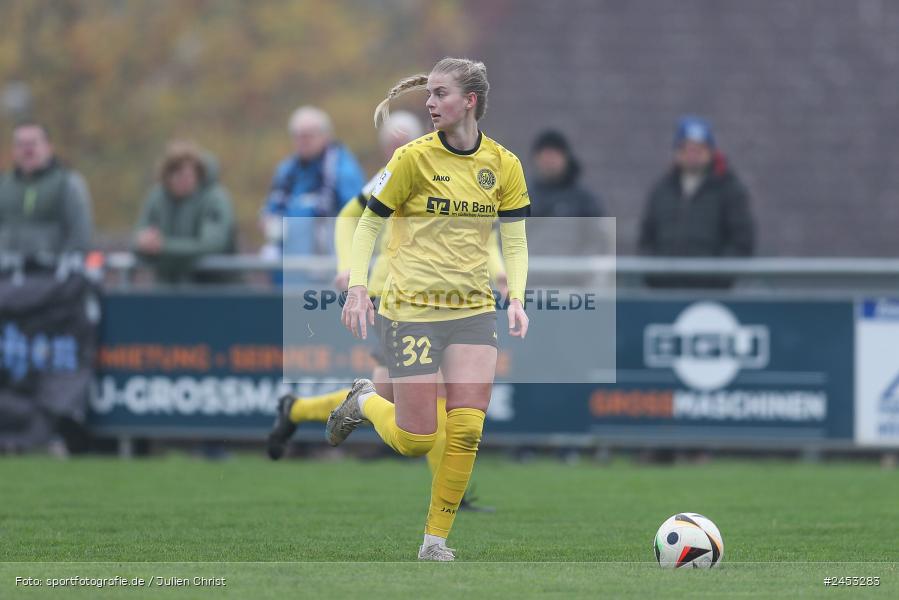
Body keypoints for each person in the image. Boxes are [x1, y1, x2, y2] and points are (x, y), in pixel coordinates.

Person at [328, 57, 530, 561]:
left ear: (470, 102)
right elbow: (367, 223)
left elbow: (516, 240)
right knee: (418, 440)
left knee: (467, 428)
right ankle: (364, 401)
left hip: (473, 309)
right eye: (429, 94)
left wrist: (519, 297)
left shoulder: (503, 165)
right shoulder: (411, 159)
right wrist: (357, 286)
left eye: (440, 94)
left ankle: (434, 541)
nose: (430, 102)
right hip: (411, 309)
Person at [266, 111, 504, 512]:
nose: (400, 149)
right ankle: (452, 493)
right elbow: (348, 217)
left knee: (387, 393)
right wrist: (347, 267)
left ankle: (297, 409)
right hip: (396, 298)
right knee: (433, 391)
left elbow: (484, 237)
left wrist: (498, 273)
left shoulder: (453, 173)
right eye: (393, 142)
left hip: (440, 299)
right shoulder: (389, 175)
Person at [638, 115, 755, 288]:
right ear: (677, 152)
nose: (692, 155)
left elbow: (741, 242)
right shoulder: (661, 190)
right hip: (664, 292)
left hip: (712, 295)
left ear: (711, 152)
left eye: (699, 149)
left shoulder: (729, 190)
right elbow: (646, 239)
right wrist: (653, 275)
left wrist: (719, 278)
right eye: (687, 149)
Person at [260, 106, 365, 272]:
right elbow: (271, 210)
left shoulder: (343, 171)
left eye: (309, 135)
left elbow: (356, 217)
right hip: (289, 270)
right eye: (298, 136)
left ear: (326, 136)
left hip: (329, 269)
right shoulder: (286, 171)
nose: (303, 141)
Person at [133, 141, 237, 284]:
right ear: (167, 176)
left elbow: (211, 244)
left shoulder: (215, 198)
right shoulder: (157, 198)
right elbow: (139, 238)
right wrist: (144, 243)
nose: (184, 180)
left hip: (215, 291)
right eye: (178, 174)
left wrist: (163, 247)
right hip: (167, 291)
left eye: (189, 175)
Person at [0, 122, 93, 258]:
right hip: (7, 273)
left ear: (48, 147)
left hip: (53, 273)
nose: (27, 150)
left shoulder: (67, 184)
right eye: (21, 144)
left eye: (33, 143)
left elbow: (80, 235)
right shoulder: (3, 185)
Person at [528, 129, 605, 256]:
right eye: (545, 155)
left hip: (574, 273)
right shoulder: (524, 197)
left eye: (554, 155)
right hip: (532, 273)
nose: (549, 161)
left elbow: (597, 241)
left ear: (566, 158)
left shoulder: (585, 201)